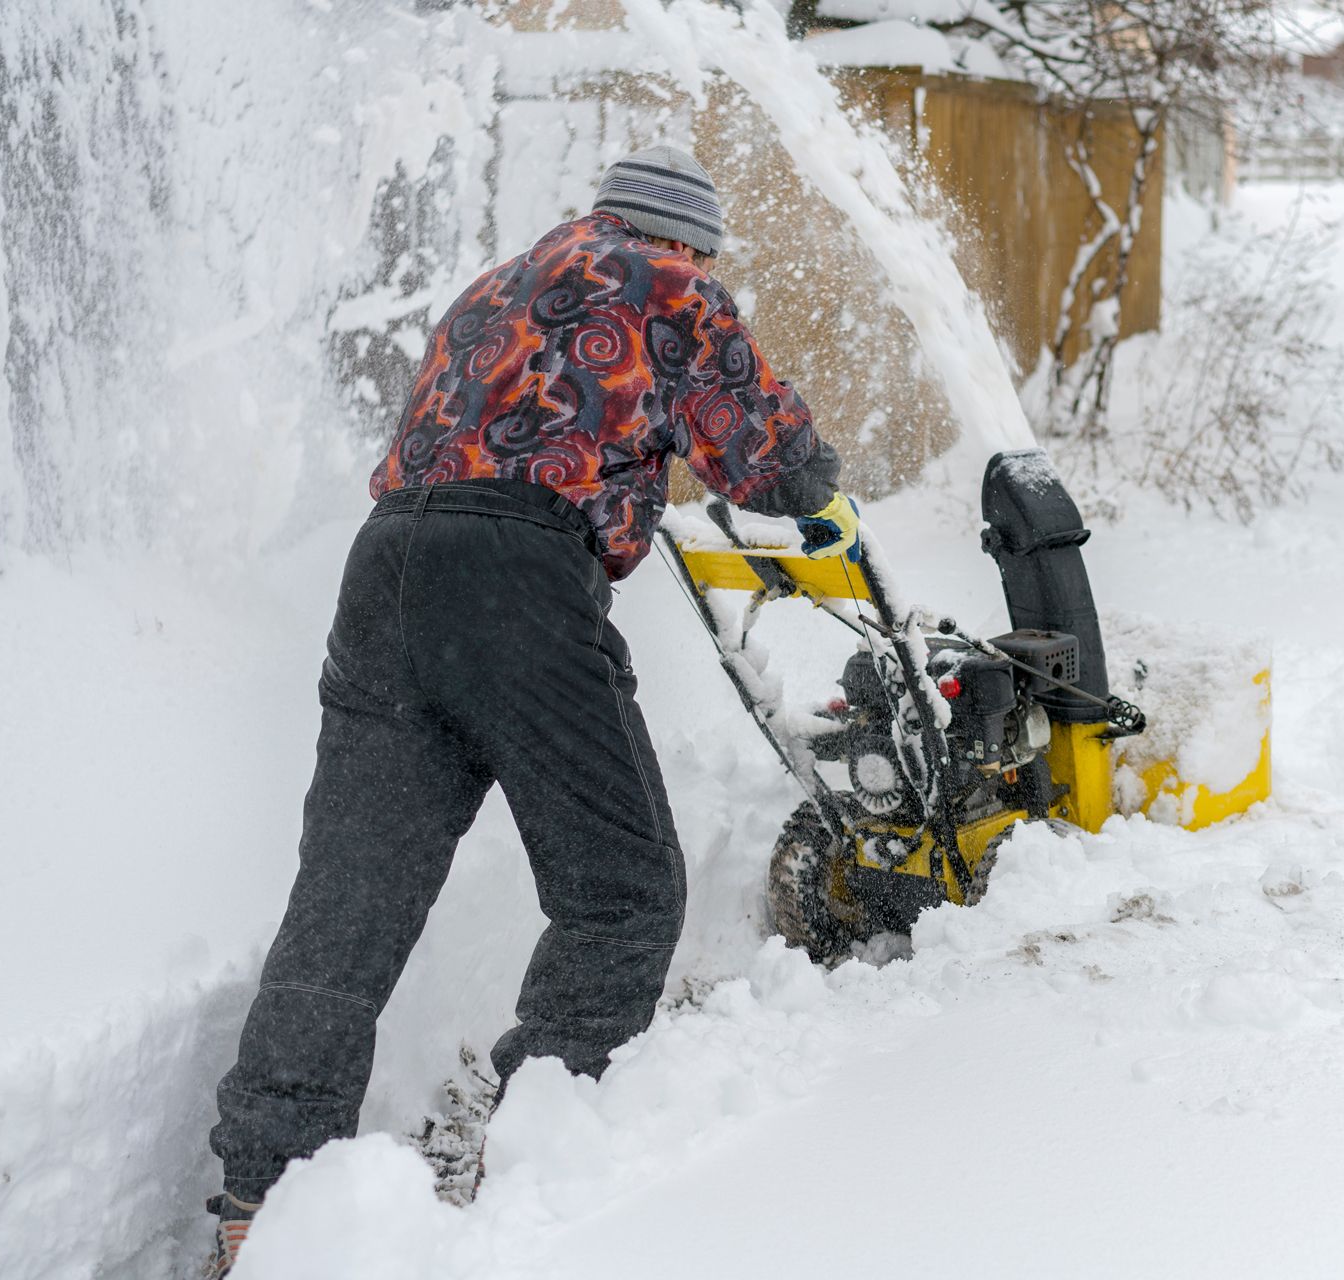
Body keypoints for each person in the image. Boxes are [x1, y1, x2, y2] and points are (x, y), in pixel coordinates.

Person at [204, 144, 858, 1274]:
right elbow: (758, 450)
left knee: (349, 906)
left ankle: (256, 1203)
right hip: (513, 574)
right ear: (687, 239)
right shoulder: (670, 283)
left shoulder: (499, 283)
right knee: (623, 889)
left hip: (388, 571)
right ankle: (534, 1161)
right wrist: (822, 493)